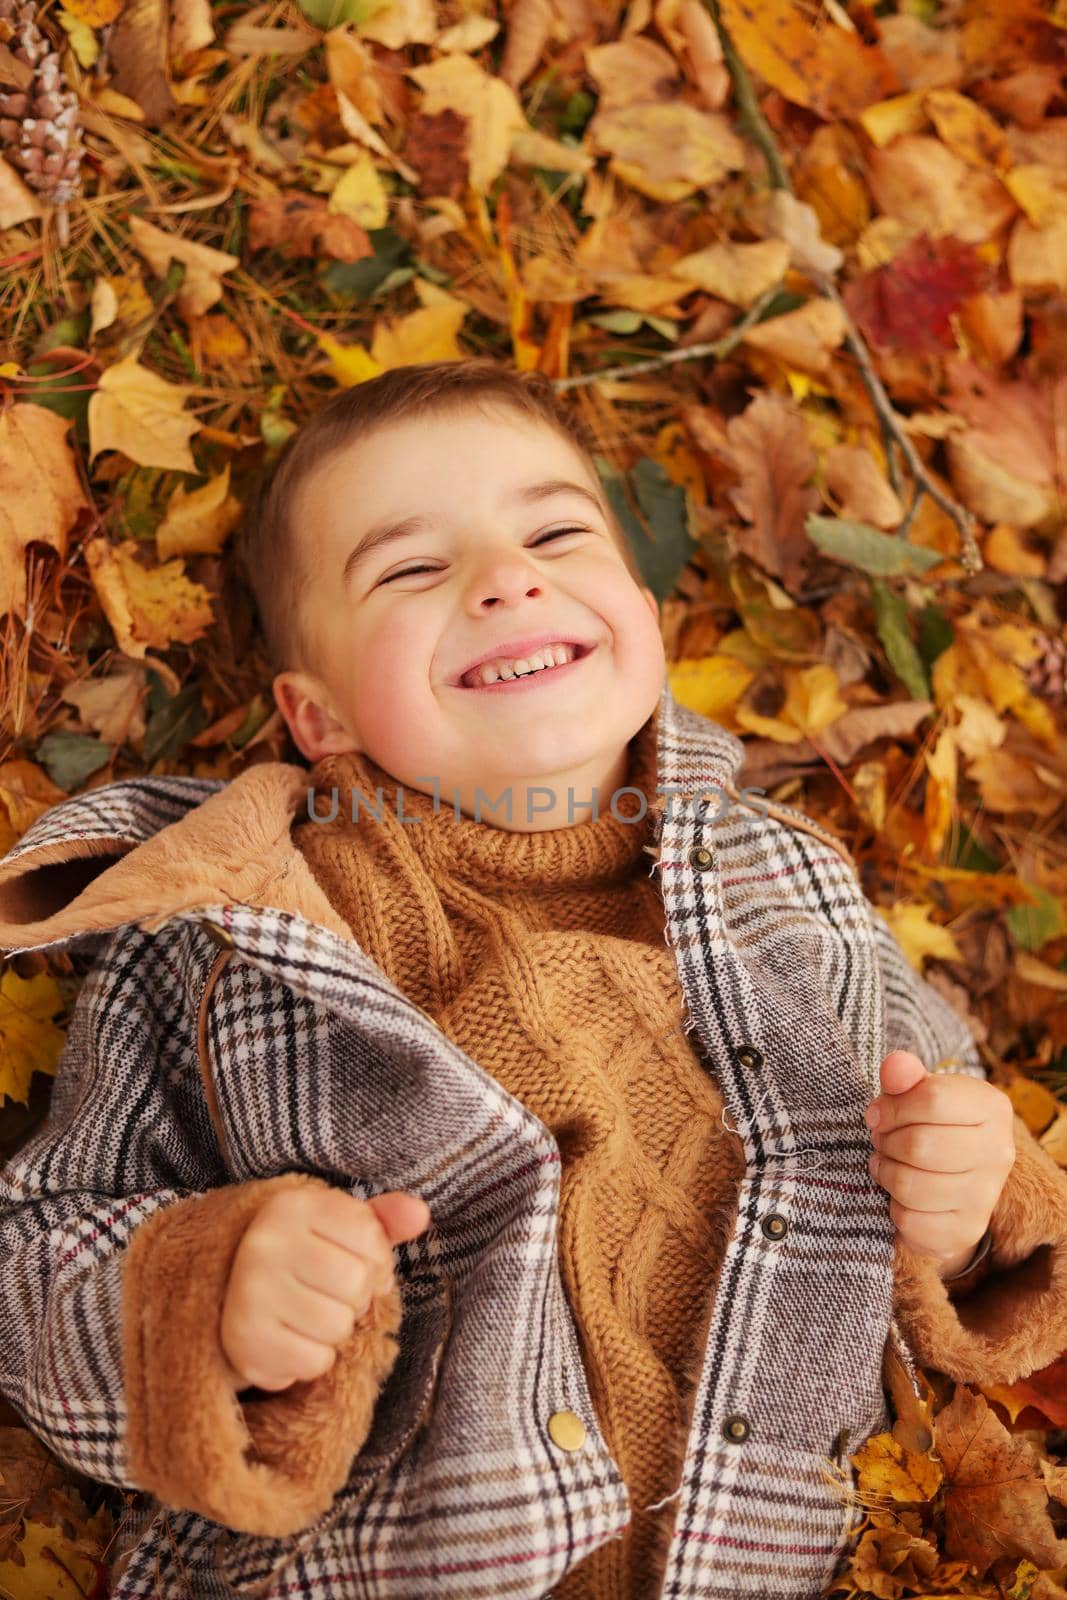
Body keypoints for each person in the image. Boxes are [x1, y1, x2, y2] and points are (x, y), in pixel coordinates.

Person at [1, 358, 1066, 1600]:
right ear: (317, 715)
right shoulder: (224, 923)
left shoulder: (790, 880)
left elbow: (955, 1137)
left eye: (555, 530)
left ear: (642, 609)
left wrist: (969, 1204)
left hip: (803, 1554)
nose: (508, 577)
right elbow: (35, 1259)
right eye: (409, 568)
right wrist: (209, 1293)